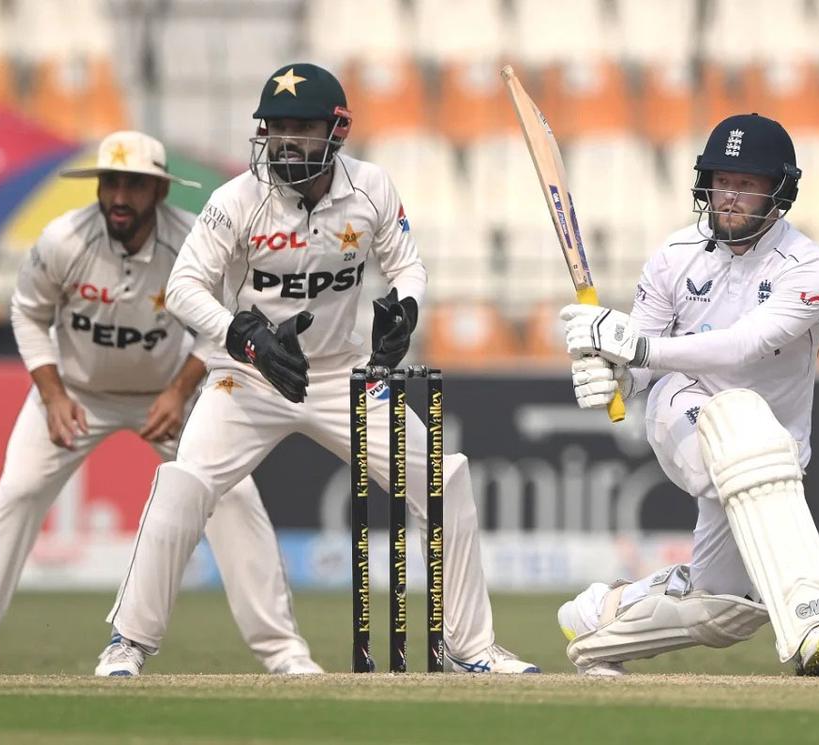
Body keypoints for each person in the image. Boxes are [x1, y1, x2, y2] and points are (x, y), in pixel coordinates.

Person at [94, 63, 539, 676]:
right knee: (185, 481)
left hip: (342, 375)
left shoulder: (372, 189)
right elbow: (183, 287)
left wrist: (404, 310)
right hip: (246, 376)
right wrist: (240, 332)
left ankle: (471, 648)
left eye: (301, 127)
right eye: (275, 128)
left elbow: (407, 265)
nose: (284, 142)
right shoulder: (237, 200)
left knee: (446, 478)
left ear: (338, 130)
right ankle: (129, 643)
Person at [0, 131, 320, 677]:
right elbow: (27, 314)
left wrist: (179, 391)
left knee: (234, 497)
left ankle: (284, 654)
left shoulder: (189, 242)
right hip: (76, 394)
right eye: (112, 183)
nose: (120, 197)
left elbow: (219, 326)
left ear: (158, 192)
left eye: (135, 184)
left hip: (166, 394)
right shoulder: (62, 239)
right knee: (16, 494)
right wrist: (53, 394)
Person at [554, 113, 819, 676]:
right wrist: (611, 377)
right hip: (684, 408)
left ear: (780, 191)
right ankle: (815, 620)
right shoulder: (675, 257)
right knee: (738, 426)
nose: (729, 197)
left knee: (725, 609)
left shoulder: (810, 269)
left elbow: (743, 347)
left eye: (746, 184)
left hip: (777, 453)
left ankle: (602, 617)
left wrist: (635, 351)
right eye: (721, 181)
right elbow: (639, 371)